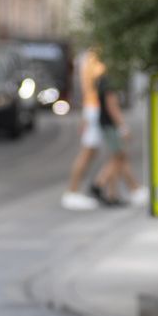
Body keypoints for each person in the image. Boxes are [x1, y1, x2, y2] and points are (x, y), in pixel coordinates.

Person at [91, 64, 145, 206]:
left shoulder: (103, 80)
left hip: (106, 124)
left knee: (117, 158)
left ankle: (112, 194)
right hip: (111, 126)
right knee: (118, 157)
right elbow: (112, 106)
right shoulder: (110, 82)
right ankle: (99, 184)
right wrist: (123, 127)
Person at [60, 47, 106, 211]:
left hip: (92, 108)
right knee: (88, 151)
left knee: (93, 152)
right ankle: (72, 191)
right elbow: (99, 85)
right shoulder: (95, 59)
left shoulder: (89, 58)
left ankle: (79, 190)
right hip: (94, 108)